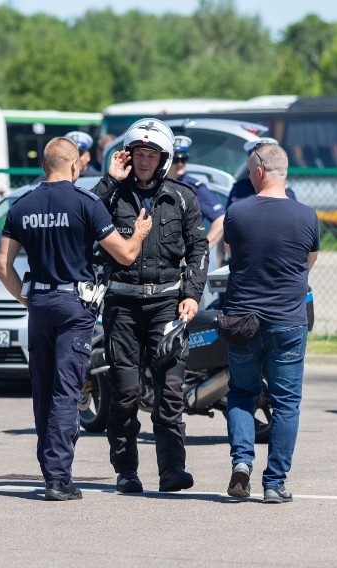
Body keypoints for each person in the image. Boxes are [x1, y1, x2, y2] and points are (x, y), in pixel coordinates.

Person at [0, 137, 152, 501]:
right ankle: (57, 478)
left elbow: (2, 266)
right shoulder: (86, 204)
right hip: (74, 306)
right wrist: (139, 234)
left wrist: (26, 298)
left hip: (40, 304)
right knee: (67, 391)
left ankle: (49, 469)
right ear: (75, 166)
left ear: (44, 165)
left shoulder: (22, 205)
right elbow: (126, 254)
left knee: (43, 391)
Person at [92, 118, 208, 494]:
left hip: (167, 307)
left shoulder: (182, 197)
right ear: (128, 155)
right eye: (138, 154)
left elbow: (198, 249)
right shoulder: (109, 195)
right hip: (122, 305)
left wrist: (191, 293)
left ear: (164, 158)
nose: (144, 162)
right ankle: (126, 471)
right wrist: (109, 179)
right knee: (124, 394)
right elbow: (84, 220)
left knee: (170, 392)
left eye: (151, 155)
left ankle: (172, 469)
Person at [222, 142, 319, 504]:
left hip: (243, 320)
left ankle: (242, 463)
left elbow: (233, 255)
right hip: (287, 322)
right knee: (286, 403)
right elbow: (307, 264)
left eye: (250, 171)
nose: (249, 176)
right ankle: (274, 482)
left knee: (242, 394)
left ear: (260, 171)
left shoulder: (237, 212)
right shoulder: (307, 215)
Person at [165, 135, 225, 263]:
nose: (180, 164)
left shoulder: (194, 187)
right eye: (176, 159)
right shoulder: (155, 184)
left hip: (182, 259)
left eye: (184, 159)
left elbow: (220, 220)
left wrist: (200, 252)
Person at [226, 138, 297, 208]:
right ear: (249, 163)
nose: (264, 164)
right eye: (258, 159)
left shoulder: (287, 193)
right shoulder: (239, 189)